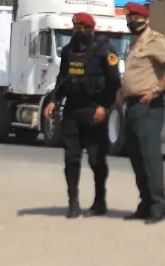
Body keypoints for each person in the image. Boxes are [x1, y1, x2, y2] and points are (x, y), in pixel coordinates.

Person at [44, 12, 122, 219]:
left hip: (95, 110)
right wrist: (53, 100)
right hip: (73, 110)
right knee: (71, 158)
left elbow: (114, 82)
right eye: (75, 29)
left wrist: (104, 106)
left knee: (96, 159)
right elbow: (62, 79)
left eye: (82, 29)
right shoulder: (69, 50)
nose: (78, 33)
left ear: (91, 29)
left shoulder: (105, 50)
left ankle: (99, 202)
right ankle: (73, 203)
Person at [119, 2, 165, 224]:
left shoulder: (155, 40)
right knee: (136, 158)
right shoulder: (134, 43)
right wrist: (121, 92)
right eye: (129, 18)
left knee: (150, 158)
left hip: (149, 107)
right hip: (133, 106)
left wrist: (158, 88)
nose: (132, 21)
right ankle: (145, 204)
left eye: (136, 17)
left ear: (146, 19)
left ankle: (159, 207)